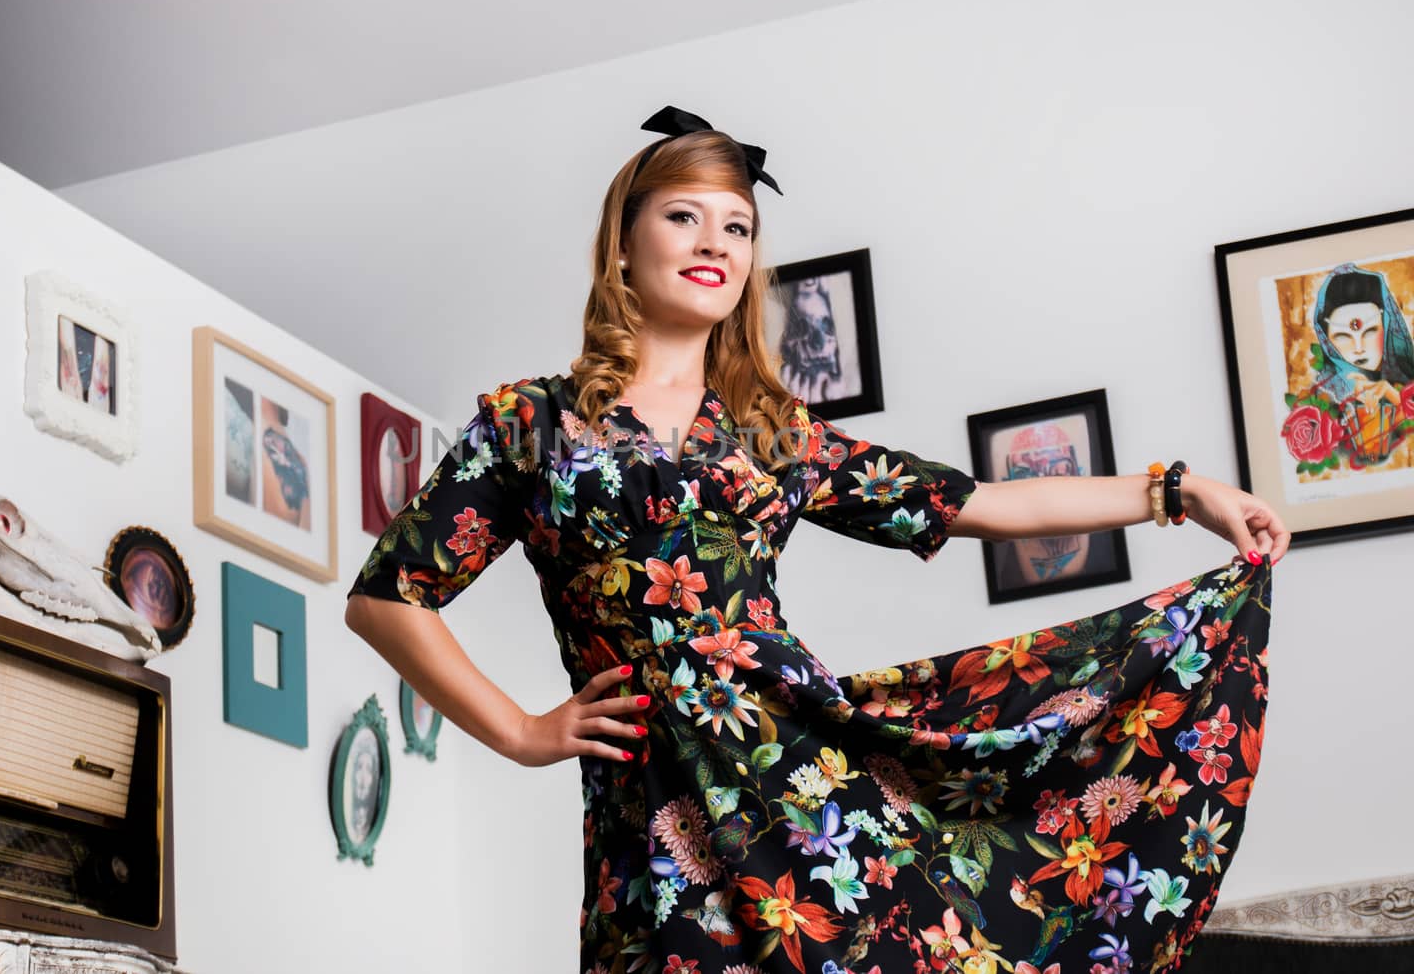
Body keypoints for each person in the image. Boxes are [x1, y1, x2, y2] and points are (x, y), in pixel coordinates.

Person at [344, 106, 1286, 974]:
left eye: (738, 226)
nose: (716, 242)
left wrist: (1177, 489)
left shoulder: (773, 432)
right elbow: (387, 596)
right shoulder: (532, 423)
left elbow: (976, 504)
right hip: (650, 812)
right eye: (684, 217)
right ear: (622, 247)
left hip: (808, 794)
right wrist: (520, 729)